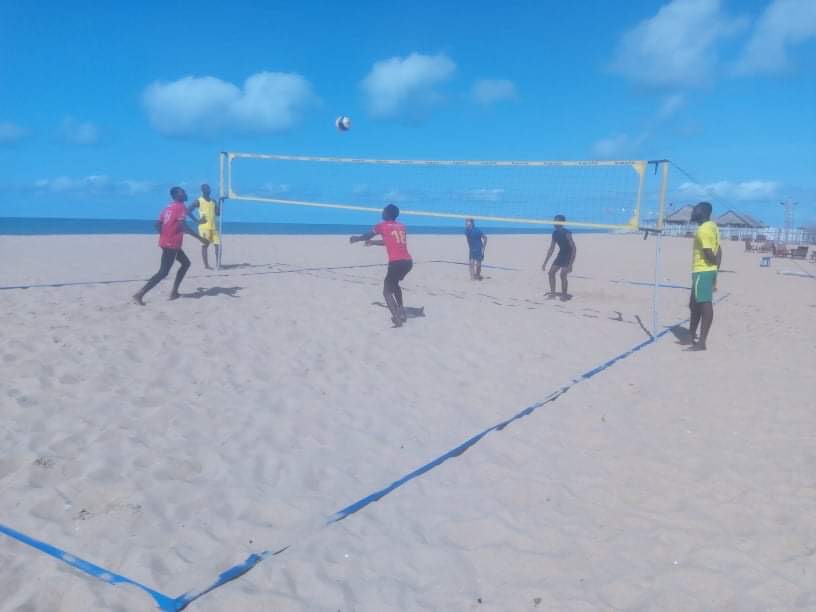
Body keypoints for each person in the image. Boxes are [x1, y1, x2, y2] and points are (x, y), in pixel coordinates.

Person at [133, 187, 207, 305]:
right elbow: (183, 226)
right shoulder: (180, 206)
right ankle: (139, 294)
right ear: (177, 195)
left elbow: (157, 225)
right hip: (171, 244)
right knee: (163, 272)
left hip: (167, 242)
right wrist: (200, 238)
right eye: (183, 192)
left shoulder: (168, 207)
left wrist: (165, 235)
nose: (186, 194)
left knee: (186, 263)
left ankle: (174, 292)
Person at [350, 204, 413, 327]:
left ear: (387, 214)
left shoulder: (381, 226)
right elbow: (389, 242)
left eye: (383, 211)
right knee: (395, 285)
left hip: (396, 263)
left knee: (386, 292)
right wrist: (373, 243)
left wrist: (356, 238)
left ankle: (397, 319)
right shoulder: (402, 226)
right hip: (408, 262)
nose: (382, 213)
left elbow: (366, 236)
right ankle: (401, 311)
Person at [688, 201, 721, 351]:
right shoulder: (712, 226)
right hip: (707, 271)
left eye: (695, 209)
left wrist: (712, 268)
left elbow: (709, 253)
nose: (693, 212)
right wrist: (716, 270)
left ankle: (702, 342)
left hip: (703, 270)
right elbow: (719, 249)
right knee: (693, 304)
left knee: (704, 304)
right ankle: (691, 334)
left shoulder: (703, 230)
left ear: (703, 212)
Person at [542, 214, 576, 301]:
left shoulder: (567, 233)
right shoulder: (554, 233)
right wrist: (545, 262)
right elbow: (551, 248)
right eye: (554, 220)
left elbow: (574, 249)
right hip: (560, 255)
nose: (554, 222)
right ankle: (553, 294)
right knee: (551, 273)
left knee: (562, 275)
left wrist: (571, 264)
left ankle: (564, 296)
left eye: (556, 220)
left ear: (561, 222)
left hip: (568, 255)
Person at [187, 183, 222, 269]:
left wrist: (220, 202)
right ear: (202, 190)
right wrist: (197, 221)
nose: (208, 190)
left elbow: (218, 213)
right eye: (206, 189)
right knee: (205, 246)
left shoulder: (213, 201)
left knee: (218, 245)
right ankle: (206, 265)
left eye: (209, 188)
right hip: (204, 227)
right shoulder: (199, 200)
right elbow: (188, 210)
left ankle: (218, 264)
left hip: (214, 226)